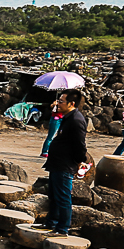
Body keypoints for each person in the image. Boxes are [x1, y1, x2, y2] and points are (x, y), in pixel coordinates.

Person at [42, 90, 92, 235]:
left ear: (71, 104)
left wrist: (80, 161)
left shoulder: (76, 120)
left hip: (65, 164)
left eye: (61, 101)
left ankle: (62, 229)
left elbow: (80, 145)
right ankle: (51, 223)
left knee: (63, 198)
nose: (58, 103)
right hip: (57, 162)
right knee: (53, 195)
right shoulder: (67, 117)